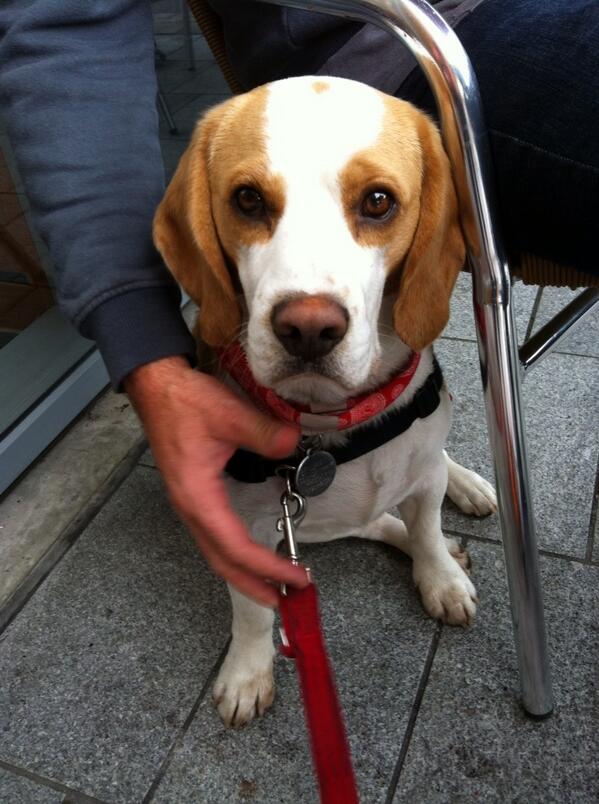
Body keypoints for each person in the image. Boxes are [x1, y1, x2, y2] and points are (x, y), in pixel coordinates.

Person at [0, 0, 596, 607]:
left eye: (377, 204)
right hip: (398, 41)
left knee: (425, 465)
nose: (310, 319)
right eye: (252, 203)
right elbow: (65, 28)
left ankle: (428, 530)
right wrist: (148, 356)